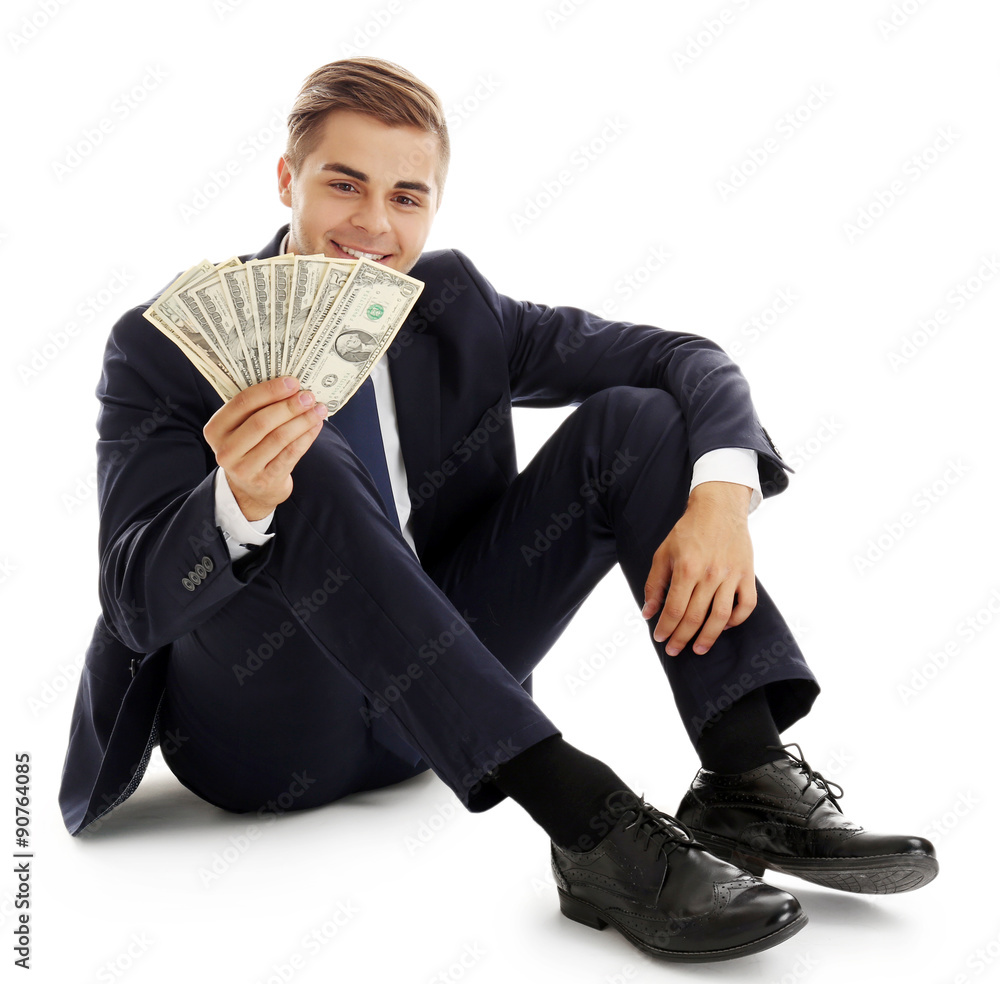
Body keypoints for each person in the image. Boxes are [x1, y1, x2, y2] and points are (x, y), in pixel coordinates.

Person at [59, 56, 937, 962]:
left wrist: (723, 494)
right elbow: (133, 603)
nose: (373, 223)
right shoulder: (163, 346)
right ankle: (589, 822)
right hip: (264, 734)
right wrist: (235, 503)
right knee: (304, 457)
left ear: (434, 207)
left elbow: (685, 356)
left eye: (407, 196)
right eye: (344, 184)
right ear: (289, 180)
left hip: (433, 713)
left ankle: (745, 775)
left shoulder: (458, 310)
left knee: (634, 421)